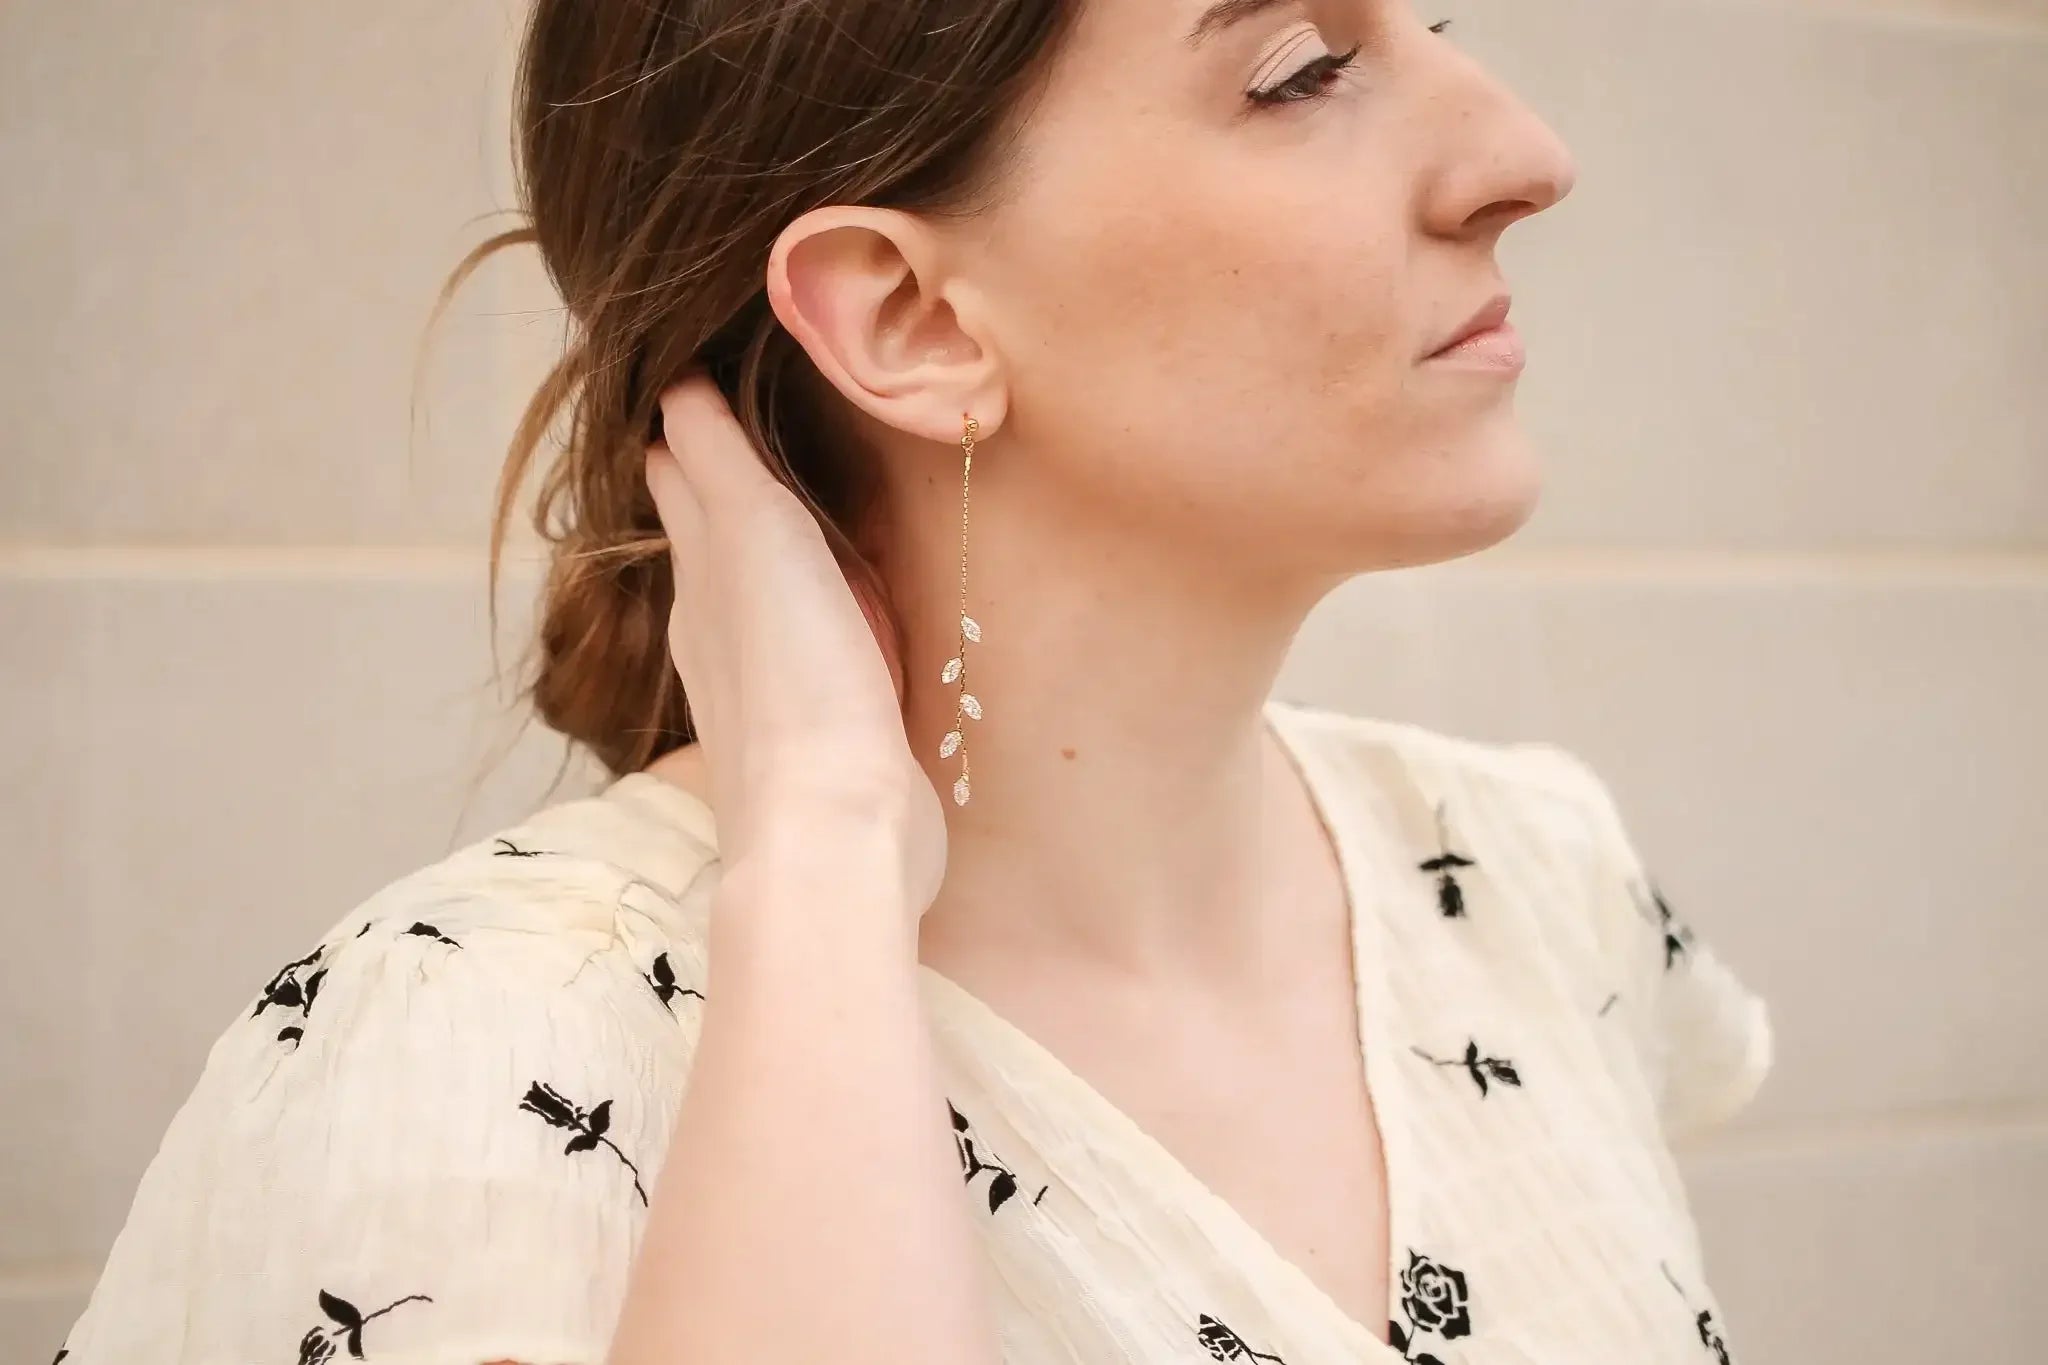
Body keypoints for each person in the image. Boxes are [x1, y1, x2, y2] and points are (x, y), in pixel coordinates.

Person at [54, 1, 1775, 1363]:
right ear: (906, 317)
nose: (1521, 155)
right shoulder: (468, 1059)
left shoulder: (1533, 880)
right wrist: (819, 858)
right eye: (1302, 70)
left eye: (1434, 35)